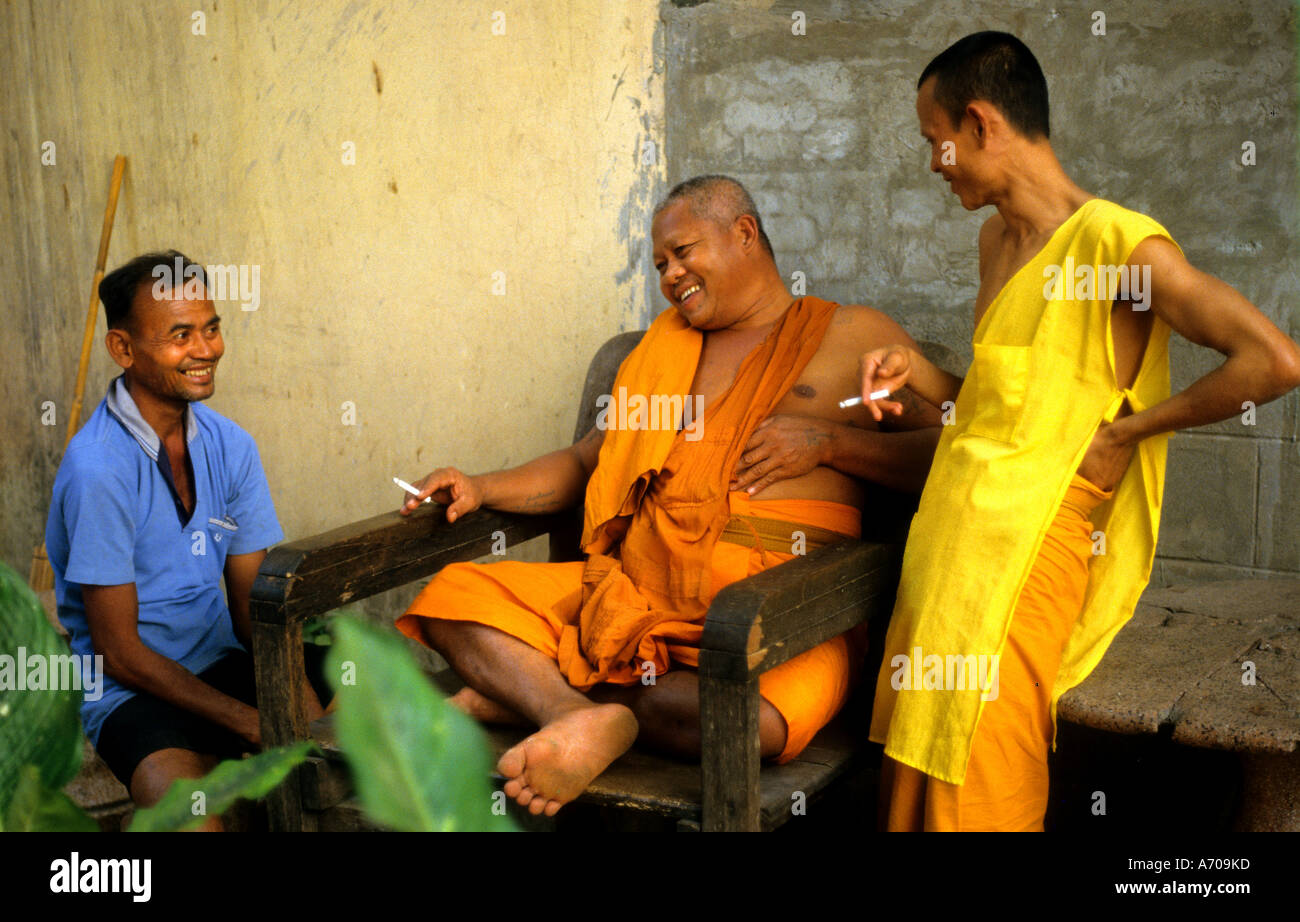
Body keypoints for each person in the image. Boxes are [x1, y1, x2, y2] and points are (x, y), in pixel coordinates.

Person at [394, 175, 944, 816]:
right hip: (639, 589)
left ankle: (529, 696)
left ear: (743, 233)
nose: (671, 274)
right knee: (455, 600)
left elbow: (950, 453)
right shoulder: (662, 351)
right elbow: (585, 463)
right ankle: (577, 715)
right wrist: (481, 485)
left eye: (683, 252)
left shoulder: (851, 336)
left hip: (784, 607)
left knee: (753, 718)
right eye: (660, 264)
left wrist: (830, 444)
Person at [859, 32, 1300, 831]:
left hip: (1026, 557)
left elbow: (1272, 361)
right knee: (914, 776)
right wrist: (918, 378)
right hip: (946, 555)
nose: (935, 164)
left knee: (982, 776)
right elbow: (997, 414)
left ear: (982, 123)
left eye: (938, 142)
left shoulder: (1115, 244)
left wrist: (1133, 431)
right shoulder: (996, 242)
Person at [45, 251, 329, 830]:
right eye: (180, 335)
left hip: (223, 659)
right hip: (133, 690)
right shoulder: (97, 468)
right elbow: (120, 653)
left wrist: (297, 710)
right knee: (193, 819)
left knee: (361, 715)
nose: (205, 350)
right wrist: (251, 722)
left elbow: (255, 610)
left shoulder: (231, 446)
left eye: (212, 327)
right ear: (123, 349)